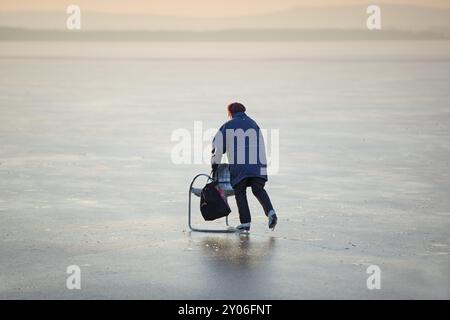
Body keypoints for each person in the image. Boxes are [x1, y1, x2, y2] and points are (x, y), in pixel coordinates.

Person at [211, 102, 277, 232]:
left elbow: (217, 147)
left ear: (230, 112)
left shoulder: (228, 126)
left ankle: (245, 223)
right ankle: (271, 212)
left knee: (240, 191)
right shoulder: (253, 123)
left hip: (240, 165)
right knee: (258, 189)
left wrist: (215, 163)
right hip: (258, 164)